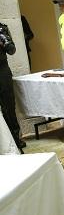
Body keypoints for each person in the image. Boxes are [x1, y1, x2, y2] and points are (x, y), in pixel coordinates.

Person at [0, 22, 26, 150]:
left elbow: (12, 50)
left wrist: (4, 42)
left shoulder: (2, 28)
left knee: (9, 106)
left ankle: (15, 139)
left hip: (2, 71)